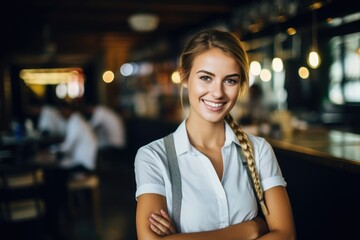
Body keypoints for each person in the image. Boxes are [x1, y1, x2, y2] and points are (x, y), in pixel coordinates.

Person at [134, 29, 296, 240]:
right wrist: (251, 230)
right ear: (184, 77)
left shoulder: (259, 150)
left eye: (230, 81)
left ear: (241, 85)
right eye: (206, 78)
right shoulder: (153, 157)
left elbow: (286, 235)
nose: (218, 92)